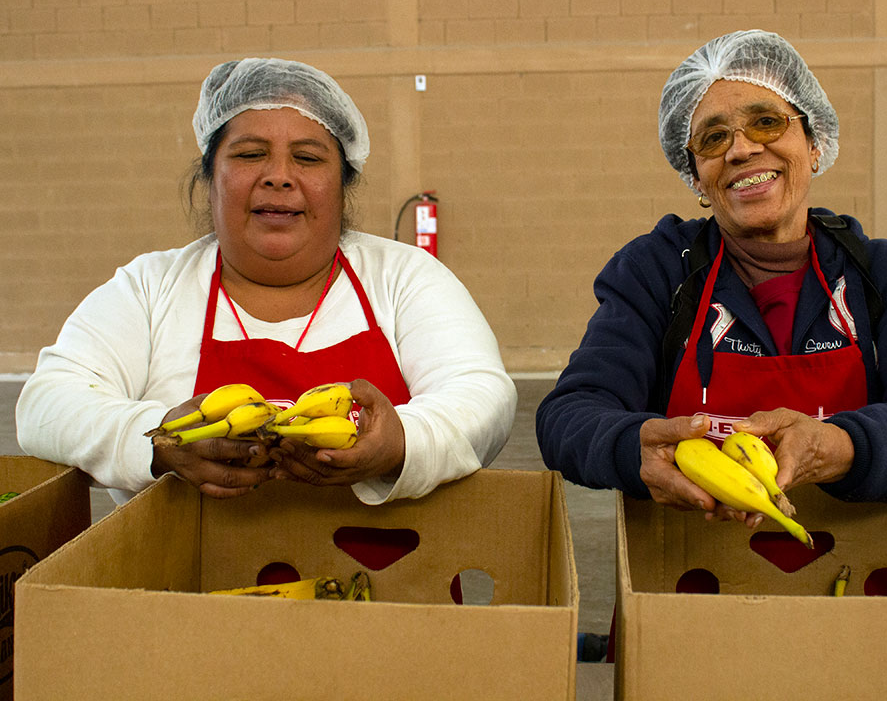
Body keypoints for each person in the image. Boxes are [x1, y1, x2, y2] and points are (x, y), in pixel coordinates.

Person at [536, 29, 887, 523]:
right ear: (695, 175)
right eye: (714, 137)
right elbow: (569, 416)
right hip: (681, 580)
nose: (741, 150)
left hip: (861, 576)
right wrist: (630, 447)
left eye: (765, 122)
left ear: (814, 143)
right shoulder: (657, 270)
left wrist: (840, 445)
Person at [17, 57, 517, 506]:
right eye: (251, 154)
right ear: (210, 178)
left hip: (390, 587)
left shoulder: (405, 278)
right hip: (181, 602)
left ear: (343, 187)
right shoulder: (149, 288)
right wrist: (157, 443)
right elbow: (46, 406)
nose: (279, 176)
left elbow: (483, 397)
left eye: (308, 157)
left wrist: (404, 441)